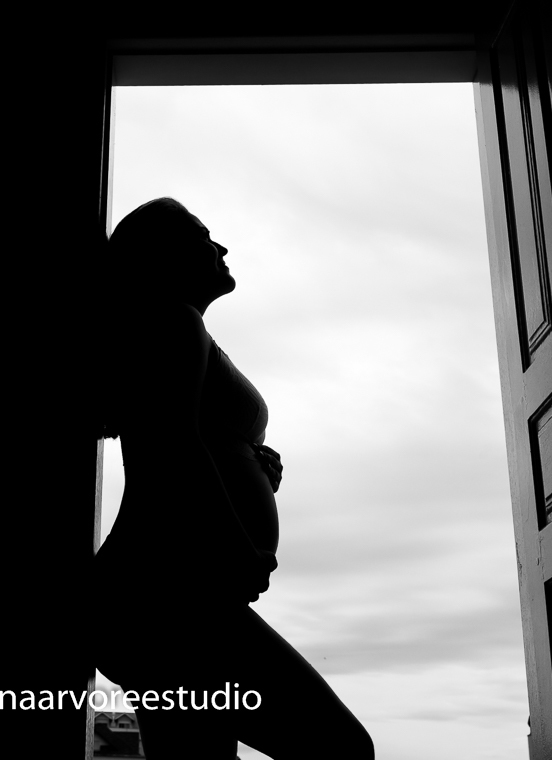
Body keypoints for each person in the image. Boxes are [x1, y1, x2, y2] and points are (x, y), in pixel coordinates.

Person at [93, 198, 373, 759]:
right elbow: (170, 446)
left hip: (168, 592)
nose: (219, 247)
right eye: (202, 237)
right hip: (168, 593)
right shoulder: (173, 322)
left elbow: (192, 438)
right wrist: (237, 547)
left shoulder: (176, 328)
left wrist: (249, 461)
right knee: (341, 748)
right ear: (163, 255)